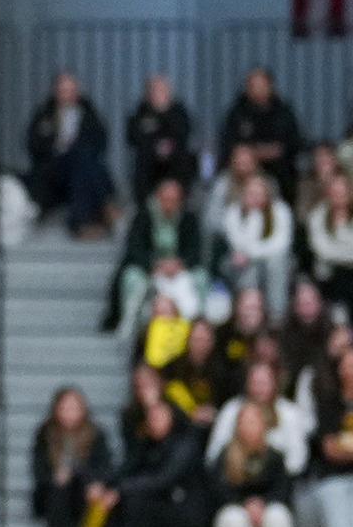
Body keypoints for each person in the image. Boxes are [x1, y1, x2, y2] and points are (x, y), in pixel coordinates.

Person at [82, 399, 205, 527]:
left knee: (135, 500)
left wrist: (120, 491)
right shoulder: (146, 444)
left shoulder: (186, 444)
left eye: (159, 416)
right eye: (150, 417)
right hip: (156, 508)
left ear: (173, 417)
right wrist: (103, 486)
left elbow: (163, 480)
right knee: (120, 500)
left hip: (186, 513)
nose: (154, 421)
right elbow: (124, 471)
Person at [24, 71, 115, 238]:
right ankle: (106, 204)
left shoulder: (89, 113)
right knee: (81, 162)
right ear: (55, 92)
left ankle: (81, 223)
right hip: (53, 171)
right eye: (63, 90)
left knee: (81, 161)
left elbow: (101, 142)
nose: (67, 94)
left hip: (81, 168)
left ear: (77, 91)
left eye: (70, 90)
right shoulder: (44, 114)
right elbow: (33, 144)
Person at [110, 176, 203, 337]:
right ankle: (130, 327)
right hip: (150, 270)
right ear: (157, 198)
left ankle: (197, 329)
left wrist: (179, 264)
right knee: (131, 277)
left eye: (174, 200)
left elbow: (195, 250)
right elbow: (134, 249)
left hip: (179, 271)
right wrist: (155, 264)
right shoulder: (143, 217)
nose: (169, 204)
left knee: (201, 278)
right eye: (165, 199)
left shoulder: (189, 218)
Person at [31, 387, 112, 527]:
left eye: (74, 408)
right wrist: (54, 477)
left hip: (83, 491)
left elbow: (104, 466)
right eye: (65, 408)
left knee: (81, 476)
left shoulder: (95, 434)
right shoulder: (46, 434)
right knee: (59, 487)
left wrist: (95, 483)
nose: (69, 413)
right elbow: (38, 469)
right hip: (53, 494)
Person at [308, 348, 353, 527]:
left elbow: (339, 447)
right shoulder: (328, 404)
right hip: (333, 478)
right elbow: (330, 450)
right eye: (347, 364)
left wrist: (344, 447)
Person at [207, 361, 309, 476]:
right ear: (246, 384)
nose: (259, 389)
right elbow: (214, 453)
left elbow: (298, 458)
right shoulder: (232, 409)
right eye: (255, 383)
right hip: (233, 479)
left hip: (279, 479)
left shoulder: (290, 413)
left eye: (264, 383)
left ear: (275, 384)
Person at [221, 67, 306, 201]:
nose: (258, 89)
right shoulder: (237, 113)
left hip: (280, 173)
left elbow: (295, 143)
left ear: (271, 86)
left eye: (261, 85)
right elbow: (229, 145)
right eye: (253, 86)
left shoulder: (284, 112)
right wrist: (253, 154)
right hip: (244, 174)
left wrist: (274, 152)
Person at [219, 175, 294, 318]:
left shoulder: (280, 210)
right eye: (251, 193)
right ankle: (247, 314)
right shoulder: (234, 212)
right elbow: (237, 242)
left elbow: (281, 245)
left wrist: (251, 253)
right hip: (242, 262)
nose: (255, 197)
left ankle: (276, 314)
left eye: (259, 194)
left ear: (267, 194)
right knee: (246, 268)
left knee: (274, 264)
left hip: (273, 261)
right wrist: (252, 214)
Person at [125, 73, 196, 205]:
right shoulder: (139, 113)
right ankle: (145, 206)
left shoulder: (179, 112)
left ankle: (180, 201)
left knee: (185, 159)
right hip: (150, 164)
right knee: (142, 160)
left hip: (174, 162)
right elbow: (133, 138)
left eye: (162, 90)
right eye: (154, 90)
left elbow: (182, 134)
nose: (158, 94)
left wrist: (163, 115)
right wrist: (157, 143)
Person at [163, 319, 231, 434]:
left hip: (214, 426)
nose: (201, 345)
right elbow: (170, 399)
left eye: (205, 340)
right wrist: (191, 412)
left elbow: (227, 401)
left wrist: (215, 413)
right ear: (187, 340)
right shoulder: (173, 368)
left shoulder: (223, 368)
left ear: (212, 343)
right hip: (180, 426)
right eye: (197, 339)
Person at [308, 173, 353, 314]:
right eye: (335, 193)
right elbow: (321, 250)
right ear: (328, 194)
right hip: (328, 274)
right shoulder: (317, 216)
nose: (339, 197)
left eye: (342, 193)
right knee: (339, 276)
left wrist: (337, 250)